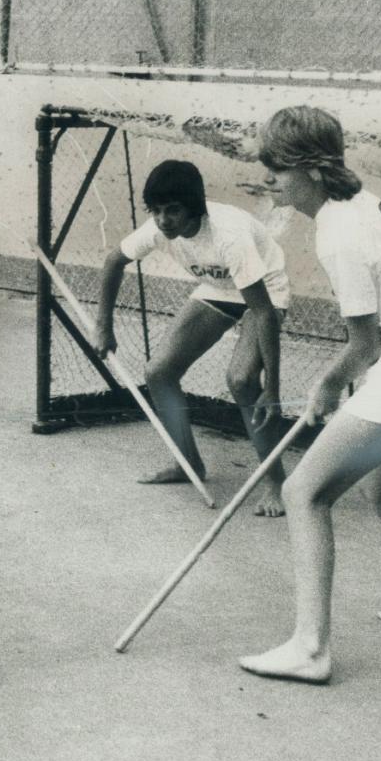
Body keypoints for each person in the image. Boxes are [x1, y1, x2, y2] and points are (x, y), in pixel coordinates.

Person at [240, 106, 381, 684]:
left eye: (279, 167)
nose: (270, 178)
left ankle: (310, 648)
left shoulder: (338, 233)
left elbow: (362, 345)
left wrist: (324, 383)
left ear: (312, 171)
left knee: (304, 491)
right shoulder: (369, 203)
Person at [92, 160, 290, 516]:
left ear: (194, 207)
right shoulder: (157, 229)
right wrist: (103, 326)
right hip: (218, 288)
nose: (164, 220)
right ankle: (188, 465)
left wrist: (272, 387)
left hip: (266, 291)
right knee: (159, 372)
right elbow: (112, 261)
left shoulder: (229, 235)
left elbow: (261, 312)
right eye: (157, 211)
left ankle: (276, 482)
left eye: (173, 210)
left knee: (243, 380)